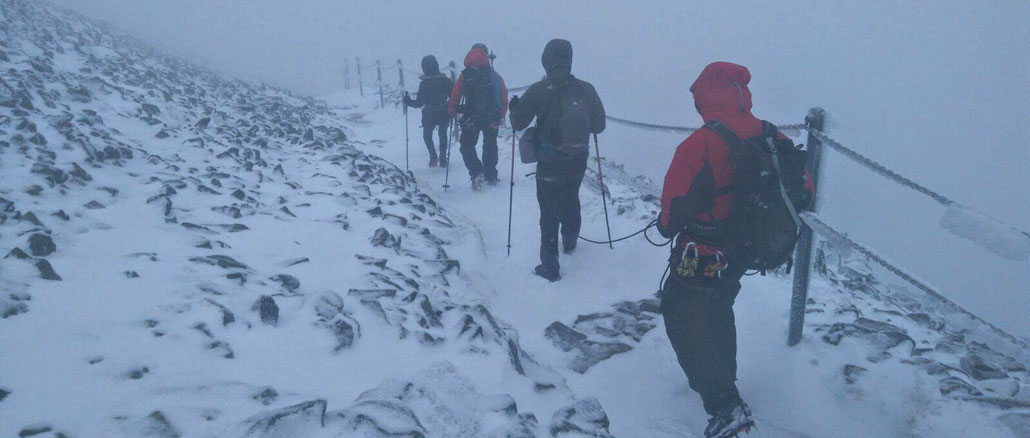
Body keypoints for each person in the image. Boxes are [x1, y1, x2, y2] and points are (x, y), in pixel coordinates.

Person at [656, 62, 812, 438]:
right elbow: (804, 188)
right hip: (745, 247)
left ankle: (724, 405)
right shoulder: (773, 135)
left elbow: (674, 211)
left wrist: (664, 225)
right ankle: (723, 378)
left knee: (681, 313)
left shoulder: (699, 144)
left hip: (704, 247)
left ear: (706, 98)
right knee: (718, 306)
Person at [509, 39, 605, 282]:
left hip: (550, 162)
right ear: (569, 60)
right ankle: (570, 241)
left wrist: (514, 109)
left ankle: (550, 267)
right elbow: (599, 126)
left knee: (548, 211)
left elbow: (518, 122)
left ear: (547, 61)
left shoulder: (540, 89)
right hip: (578, 160)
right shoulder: (586, 89)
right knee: (571, 197)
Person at [448, 45, 508, 190]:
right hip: (491, 116)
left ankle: (476, 172)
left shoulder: (466, 75)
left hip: (471, 116)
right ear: (485, 55)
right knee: (490, 144)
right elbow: (503, 95)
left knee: (467, 145)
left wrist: (452, 110)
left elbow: (455, 94)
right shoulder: (493, 75)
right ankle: (490, 175)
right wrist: (501, 115)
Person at [403, 55, 453, 168]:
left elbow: (419, 103)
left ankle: (433, 157)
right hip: (443, 112)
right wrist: (449, 106)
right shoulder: (444, 81)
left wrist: (408, 101)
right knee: (443, 134)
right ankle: (443, 159)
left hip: (429, 113)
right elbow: (453, 96)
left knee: (427, 135)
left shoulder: (424, 84)